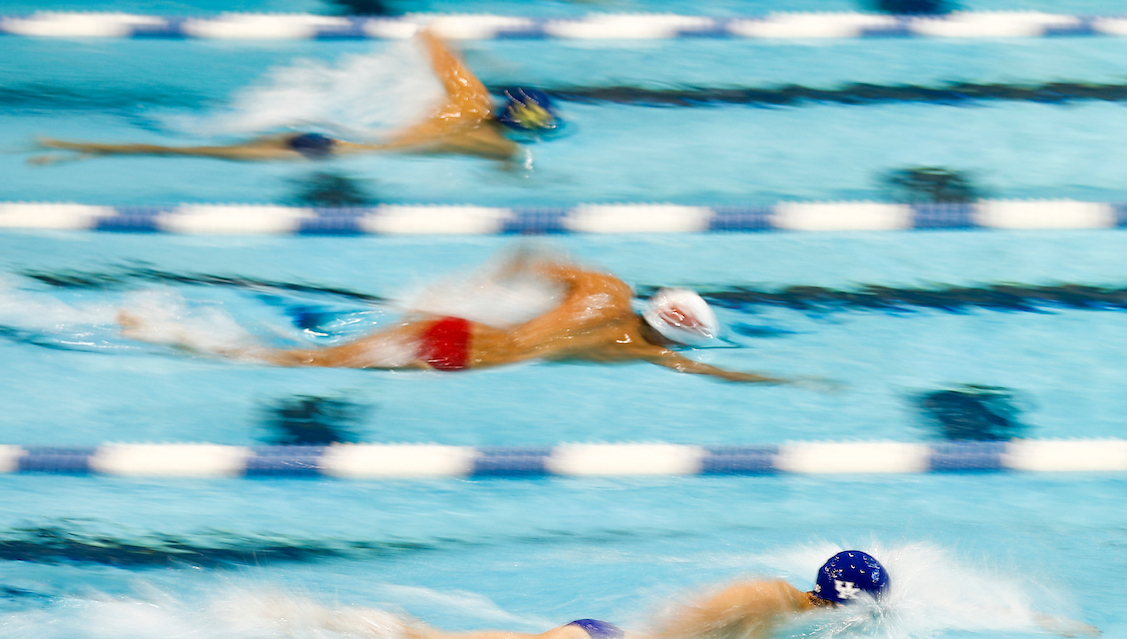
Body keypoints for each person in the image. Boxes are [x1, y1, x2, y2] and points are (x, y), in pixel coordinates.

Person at [117, 251, 800, 384]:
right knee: (303, 364)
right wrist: (790, 382)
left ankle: (172, 330)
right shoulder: (641, 351)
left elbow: (529, 254)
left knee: (311, 356)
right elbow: (710, 372)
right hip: (466, 361)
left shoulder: (605, 286)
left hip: (466, 332)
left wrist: (479, 283)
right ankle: (170, 336)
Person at [30, 30, 556, 165]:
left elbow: (429, 37)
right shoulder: (498, 147)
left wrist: (490, 59)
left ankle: (74, 139)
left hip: (334, 107)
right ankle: (82, 146)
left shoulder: (468, 93)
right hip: (336, 143)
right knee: (195, 151)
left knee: (193, 140)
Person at [345, 550, 892, 639]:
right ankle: (343, 623)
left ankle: (363, 631)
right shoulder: (765, 599)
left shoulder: (789, 612)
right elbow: (690, 634)